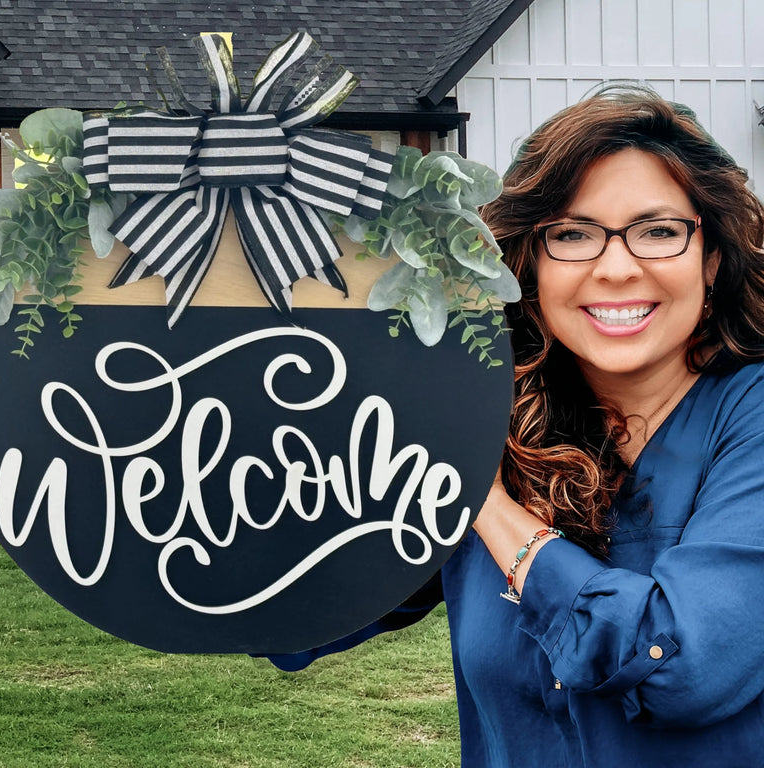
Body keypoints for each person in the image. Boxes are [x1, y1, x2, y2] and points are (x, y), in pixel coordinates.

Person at [265, 85, 764, 767]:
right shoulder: (501, 417)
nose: (616, 268)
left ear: (710, 260)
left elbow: (681, 668)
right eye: (572, 234)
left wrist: (485, 501)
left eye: (658, 231)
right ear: (528, 264)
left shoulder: (749, 419)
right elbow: (296, 608)